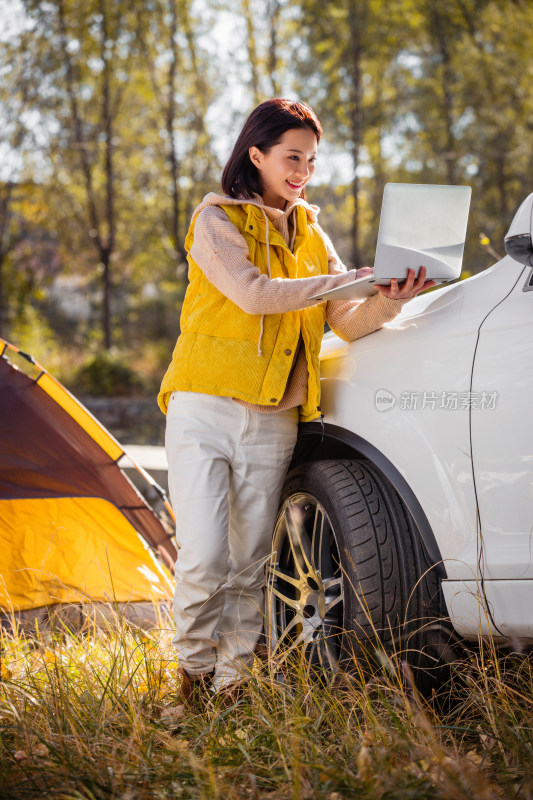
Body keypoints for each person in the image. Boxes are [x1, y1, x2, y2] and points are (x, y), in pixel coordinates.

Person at [157, 98, 434, 705]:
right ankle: (192, 676)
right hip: (204, 405)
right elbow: (254, 294)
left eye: (310, 158)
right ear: (255, 155)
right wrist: (347, 278)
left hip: (275, 416)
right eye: (291, 157)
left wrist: (397, 295)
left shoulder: (314, 235)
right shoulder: (216, 220)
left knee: (250, 559)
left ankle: (231, 683)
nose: (303, 169)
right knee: (204, 554)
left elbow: (350, 320)